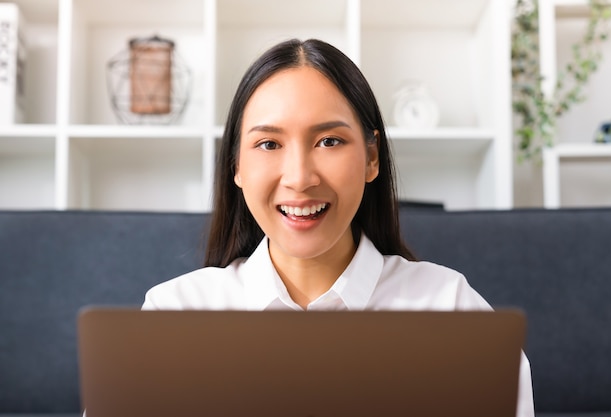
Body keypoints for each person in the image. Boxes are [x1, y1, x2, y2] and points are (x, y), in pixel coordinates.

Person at [142, 38, 535, 416]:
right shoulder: (174, 316)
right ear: (237, 167)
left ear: (371, 158)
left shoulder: (453, 311)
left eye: (329, 141)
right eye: (269, 144)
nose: (299, 177)